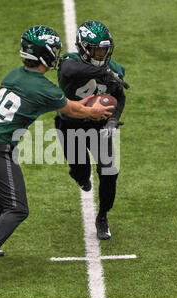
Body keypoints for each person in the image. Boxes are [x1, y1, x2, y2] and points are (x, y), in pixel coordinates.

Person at [0, 25, 115, 291]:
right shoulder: (43, 88)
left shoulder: (14, 75)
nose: (56, 53)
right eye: (53, 49)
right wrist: (96, 111)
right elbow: (74, 110)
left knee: (4, 198)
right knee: (18, 207)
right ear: (45, 53)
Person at [55, 20, 129, 240]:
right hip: (70, 124)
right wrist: (104, 73)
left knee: (109, 172)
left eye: (104, 50)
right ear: (83, 48)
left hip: (99, 126)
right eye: (96, 49)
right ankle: (79, 174)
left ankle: (103, 216)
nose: (101, 54)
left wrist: (113, 120)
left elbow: (120, 97)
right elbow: (68, 70)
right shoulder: (70, 61)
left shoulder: (115, 68)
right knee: (81, 173)